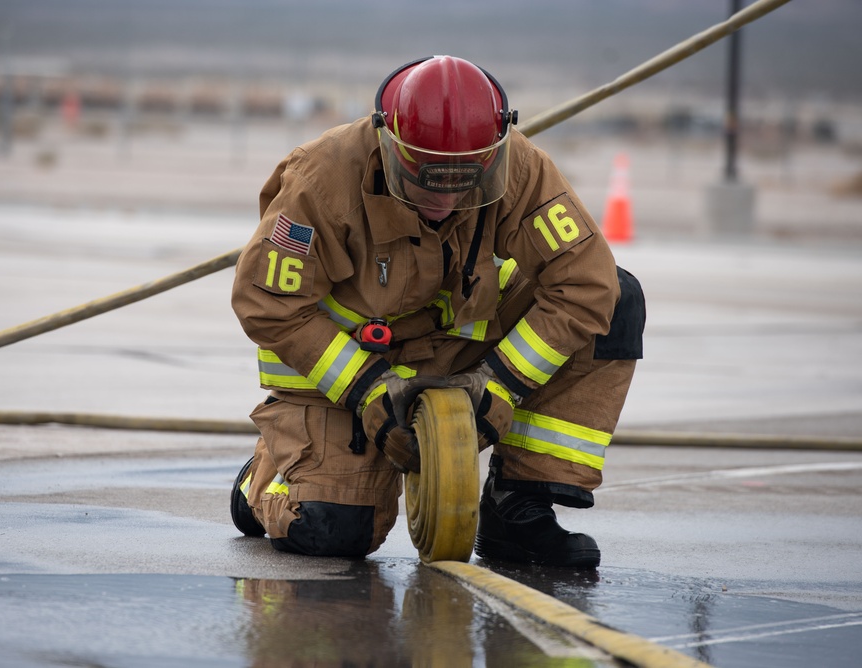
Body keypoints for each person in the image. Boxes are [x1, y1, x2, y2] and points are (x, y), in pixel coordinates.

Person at [229, 55, 645, 568]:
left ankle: (517, 505)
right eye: (426, 180)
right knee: (334, 532)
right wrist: (366, 390)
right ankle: (265, 478)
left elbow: (586, 282)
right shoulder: (323, 179)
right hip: (344, 374)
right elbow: (269, 305)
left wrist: (501, 385)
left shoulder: (518, 165)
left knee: (618, 297)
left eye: (465, 181)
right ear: (390, 146)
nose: (445, 200)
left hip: (466, 361)